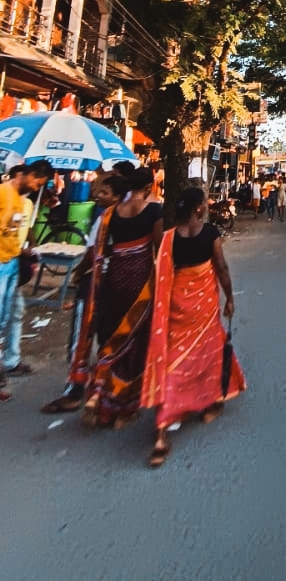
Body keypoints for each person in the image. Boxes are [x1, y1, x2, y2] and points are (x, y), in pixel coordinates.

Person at [141, 185, 245, 467]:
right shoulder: (210, 234)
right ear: (199, 208)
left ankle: (165, 428)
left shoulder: (168, 238)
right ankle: (198, 407)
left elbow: (160, 272)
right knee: (208, 352)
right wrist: (230, 297)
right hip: (204, 307)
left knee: (172, 360)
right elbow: (221, 268)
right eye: (204, 203)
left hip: (175, 305)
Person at [77, 166, 164, 428]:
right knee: (135, 341)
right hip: (141, 282)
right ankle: (124, 406)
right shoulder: (154, 210)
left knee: (112, 333)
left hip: (114, 277)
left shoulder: (112, 213)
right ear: (148, 188)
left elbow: (100, 250)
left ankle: (100, 392)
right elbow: (159, 250)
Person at [40, 171, 126, 414]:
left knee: (82, 337)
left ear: (116, 196)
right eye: (97, 190)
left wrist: (78, 274)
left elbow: (91, 254)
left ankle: (76, 390)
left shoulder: (106, 219)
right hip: (115, 286)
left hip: (95, 284)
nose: (97, 195)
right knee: (108, 337)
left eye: (104, 192)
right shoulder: (128, 217)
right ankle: (105, 386)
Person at [0, 160, 53, 401]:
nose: (35, 187)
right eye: (36, 182)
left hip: (12, 264)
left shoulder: (25, 202)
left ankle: (10, 360)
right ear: (28, 174)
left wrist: (27, 248)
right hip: (2, 263)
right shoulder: (3, 194)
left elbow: (18, 231)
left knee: (13, 313)